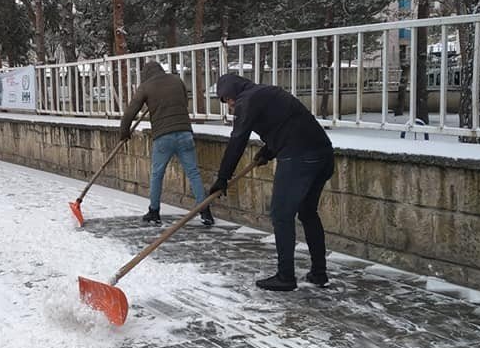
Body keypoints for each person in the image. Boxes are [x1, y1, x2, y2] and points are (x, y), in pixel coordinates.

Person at [208, 74, 334, 291]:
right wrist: (267, 151)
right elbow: (286, 126)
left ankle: (286, 277)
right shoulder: (266, 93)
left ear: (235, 91)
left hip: (300, 157)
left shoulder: (246, 100)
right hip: (323, 154)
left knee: (281, 214)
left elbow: (238, 140)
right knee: (307, 212)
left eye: (227, 98)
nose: (228, 104)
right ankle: (319, 273)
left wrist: (223, 177)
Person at [120, 61, 214, 226]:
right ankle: (205, 211)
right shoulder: (176, 80)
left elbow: (130, 112)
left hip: (164, 136)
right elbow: (184, 102)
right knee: (193, 172)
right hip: (185, 133)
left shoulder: (146, 87)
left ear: (146, 74)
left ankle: (154, 212)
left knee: (157, 175)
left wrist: (124, 133)